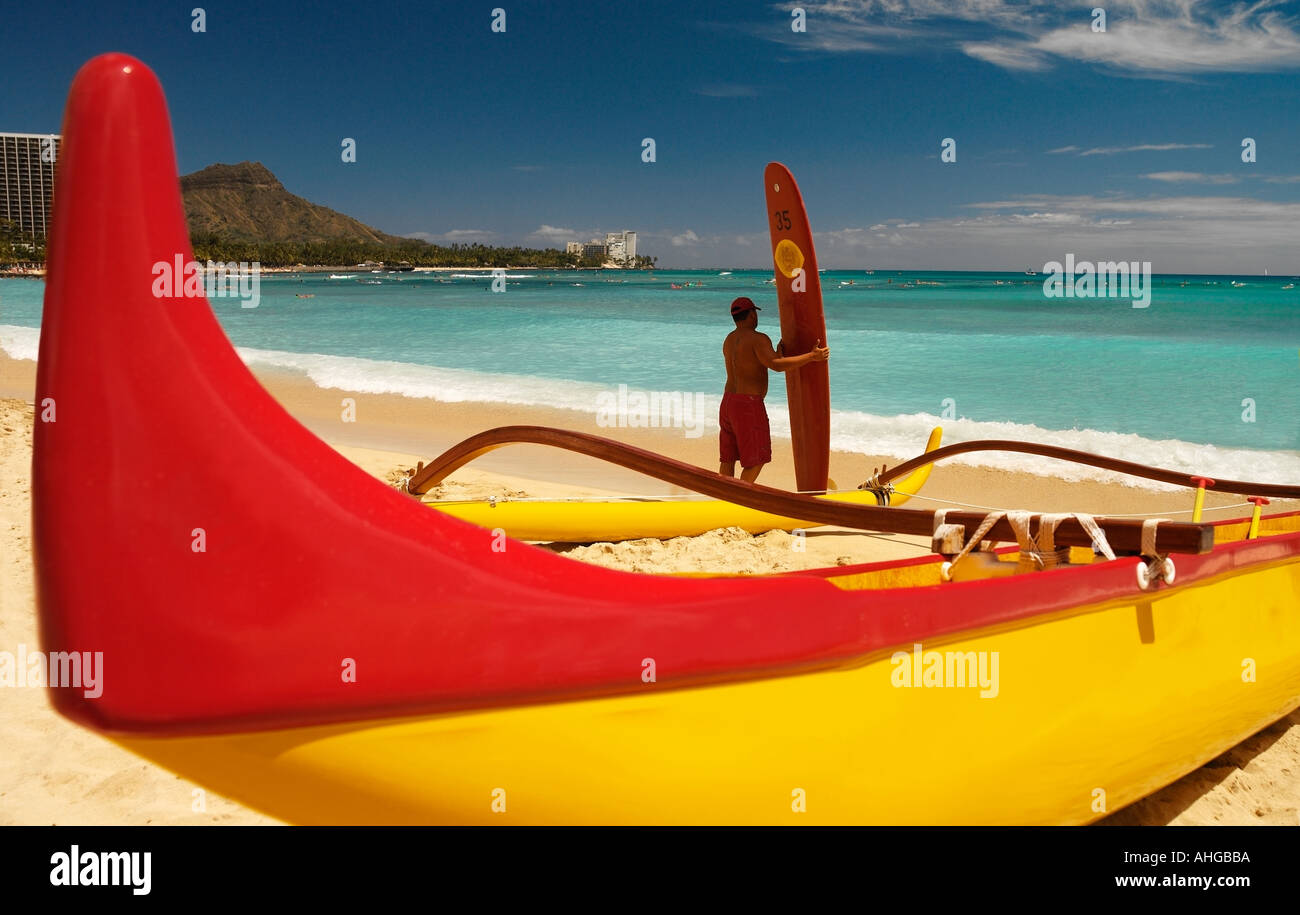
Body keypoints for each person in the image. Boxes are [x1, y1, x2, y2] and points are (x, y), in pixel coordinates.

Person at [719, 296, 829, 483]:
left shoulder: (729, 340)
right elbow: (776, 365)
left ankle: (723, 501)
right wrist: (812, 356)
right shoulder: (758, 338)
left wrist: (777, 354)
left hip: (728, 403)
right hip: (748, 406)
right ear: (752, 314)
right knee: (755, 460)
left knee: (728, 458)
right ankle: (739, 500)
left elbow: (754, 364)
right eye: (755, 313)